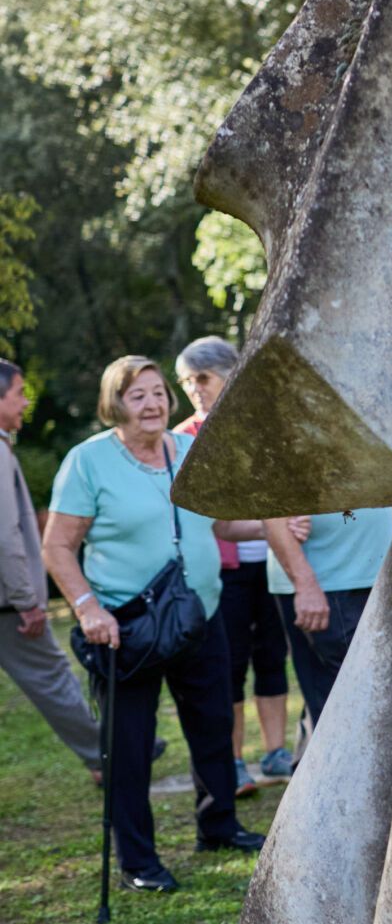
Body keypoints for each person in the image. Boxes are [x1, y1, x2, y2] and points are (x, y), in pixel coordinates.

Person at [43, 356, 267, 893]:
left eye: (158, 392)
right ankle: (138, 862)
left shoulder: (190, 451)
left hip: (200, 615)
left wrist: (278, 521)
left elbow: (223, 523)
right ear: (114, 403)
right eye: (137, 395)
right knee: (130, 745)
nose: (152, 404)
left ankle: (218, 825)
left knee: (214, 726)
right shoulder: (88, 461)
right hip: (126, 627)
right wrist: (87, 609)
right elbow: (57, 546)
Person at [175, 336, 294, 795]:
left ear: (231, 373)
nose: (194, 389)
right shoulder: (183, 438)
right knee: (230, 666)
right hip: (222, 571)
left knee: (272, 657)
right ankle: (235, 762)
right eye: (186, 381)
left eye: (202, 378)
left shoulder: (268, 427)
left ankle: (276, 751)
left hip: (272, 563)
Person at [0, 360, 103, 777]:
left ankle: (104, 753)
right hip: (9, 603)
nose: (26, 401)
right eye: (20, 392)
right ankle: (107, 755)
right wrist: (27, 599)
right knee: (54, 676)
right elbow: (6, 535)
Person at [265, 502, 392, 730]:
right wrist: (305, 585)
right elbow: (270, 513)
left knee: (382, 701)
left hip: (375, 578)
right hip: (328, 585)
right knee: (347, 712)